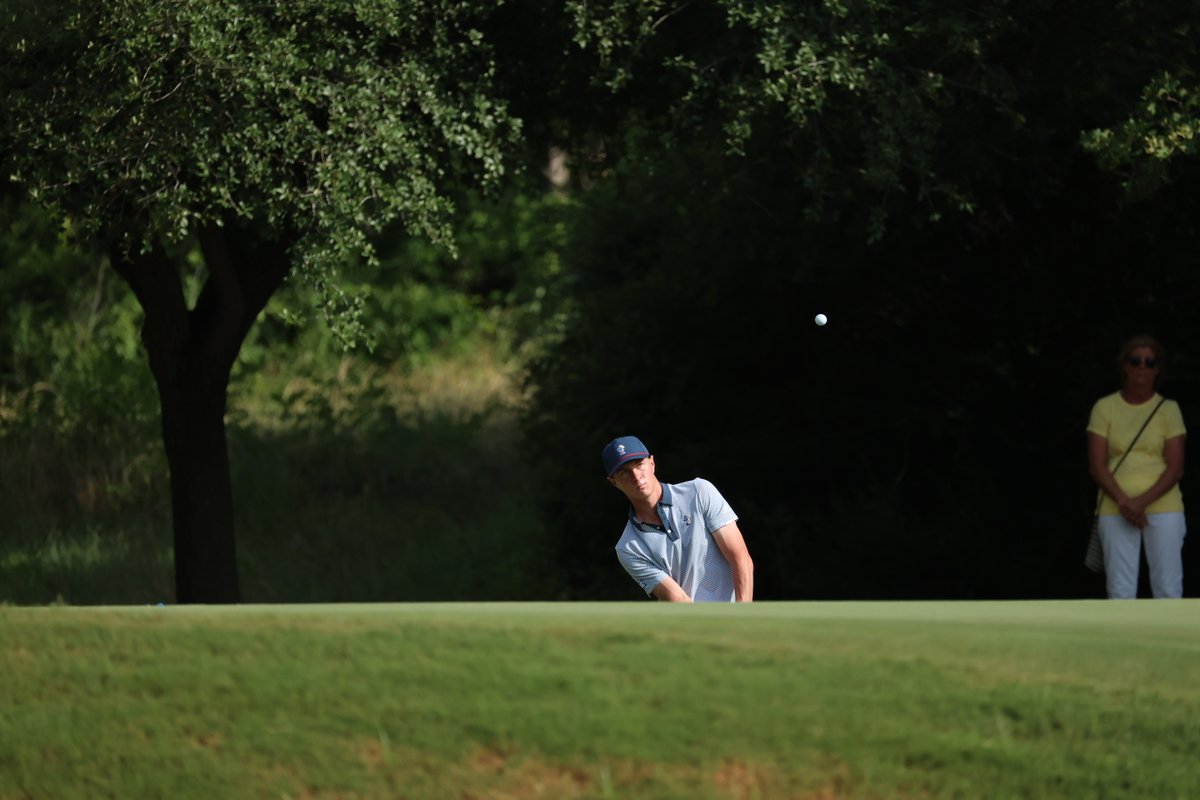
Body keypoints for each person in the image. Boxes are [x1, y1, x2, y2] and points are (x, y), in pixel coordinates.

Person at [1086, 335, 1187, 599]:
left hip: (1164, 507)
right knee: (1120, 591)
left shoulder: (1169, 409)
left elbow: (1176, 468)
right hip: (1115, 507)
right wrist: (1125, 503)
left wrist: (1139, 503)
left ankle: (1170, 631)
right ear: (1125, 366)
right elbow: (1097, 465)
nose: (1142, 366)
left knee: (1168, 589)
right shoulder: (1104, 407)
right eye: (1136, 360)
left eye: (1150, 362)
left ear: (1157, 369)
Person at [602, 435, 753, 602]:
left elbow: (740, 558)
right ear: (614, 482)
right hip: (691, 619)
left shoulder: (699, 492)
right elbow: (678, 599)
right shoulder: (628, 548)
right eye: (624, 472)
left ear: (652, 463)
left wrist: (742, 613)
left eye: (639, 464)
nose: (636, 476)